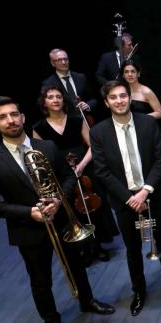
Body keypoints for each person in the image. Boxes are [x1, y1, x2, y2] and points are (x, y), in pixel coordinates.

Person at [0, 96, 115, 323]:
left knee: (76, 266)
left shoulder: (47, 147)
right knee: (41, 281)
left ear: (23, 117)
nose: (10, 120)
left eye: (14, 114)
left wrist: (59, 200)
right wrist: (28, 212)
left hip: (61, 219)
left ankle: (87, 301)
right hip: (28, 228)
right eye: (2, 117)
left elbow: (69, 178)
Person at [90, 80, 161, 317]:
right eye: (113, 97)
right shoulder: (98, 132)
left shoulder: (147, 123)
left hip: (151, 193)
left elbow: (160, 159)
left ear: (129, 97)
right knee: (133, 248)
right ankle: (139, 291)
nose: (119, 101)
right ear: (106, 102)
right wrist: (130, 199)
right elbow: (102, 172)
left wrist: (145, 191)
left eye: (122, 96)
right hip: (124, 200)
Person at [33, 86, 119, 264]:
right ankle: (84, 248)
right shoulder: (38, 127)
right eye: (50, 97)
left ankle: (97, 246)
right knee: (72, 209)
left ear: (63, 100)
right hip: (61, 174)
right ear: (44, 102)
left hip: (84, 167)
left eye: (58, 96)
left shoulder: (76, 120)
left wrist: (81, 166)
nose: (55, 100)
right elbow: (40, 157)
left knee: (93, 208)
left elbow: (92, 146)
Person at [42, 48, 96, 119]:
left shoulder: (81, 77)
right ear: (52, 63)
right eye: (59, 60)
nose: (63, 62)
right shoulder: (48, 83)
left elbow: (93, 98)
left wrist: (88, 105)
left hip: (86, 119)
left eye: (65, 59)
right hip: (64, 121)